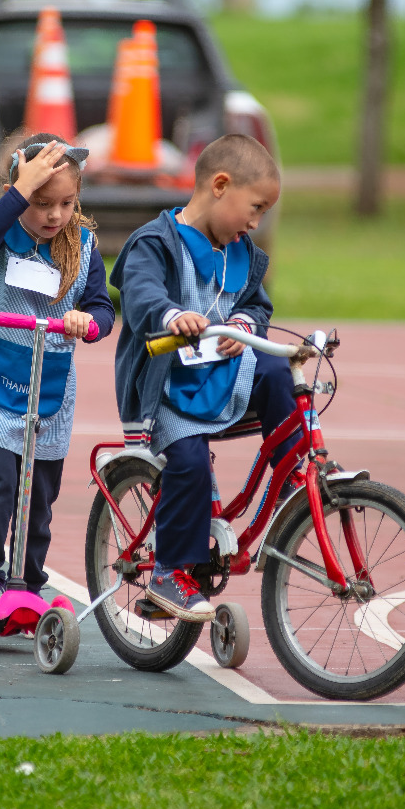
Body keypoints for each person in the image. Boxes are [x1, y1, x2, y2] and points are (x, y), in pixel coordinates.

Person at [109, 134, 294, 622]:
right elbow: (141, 291)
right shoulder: (155, 242)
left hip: (223, 376)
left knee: (278, 366)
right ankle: (170, 574)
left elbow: (256, 303)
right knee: (188, 461)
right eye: (253, 208)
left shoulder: (241, 251)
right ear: (219, 185)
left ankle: (294, 475)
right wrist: (170, 315)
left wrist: (244, 325)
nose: (255, 223)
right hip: (166, 389)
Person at [0, 133, 114, 608]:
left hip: (47, 393)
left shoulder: (82, 246)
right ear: (18, 194)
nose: (54, 215)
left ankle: (29, 584)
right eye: (41, 202)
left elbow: (103, 309)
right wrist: (20, 192)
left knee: (39, 500)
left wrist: (88, 322)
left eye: (66, 203)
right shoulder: (0, 237)